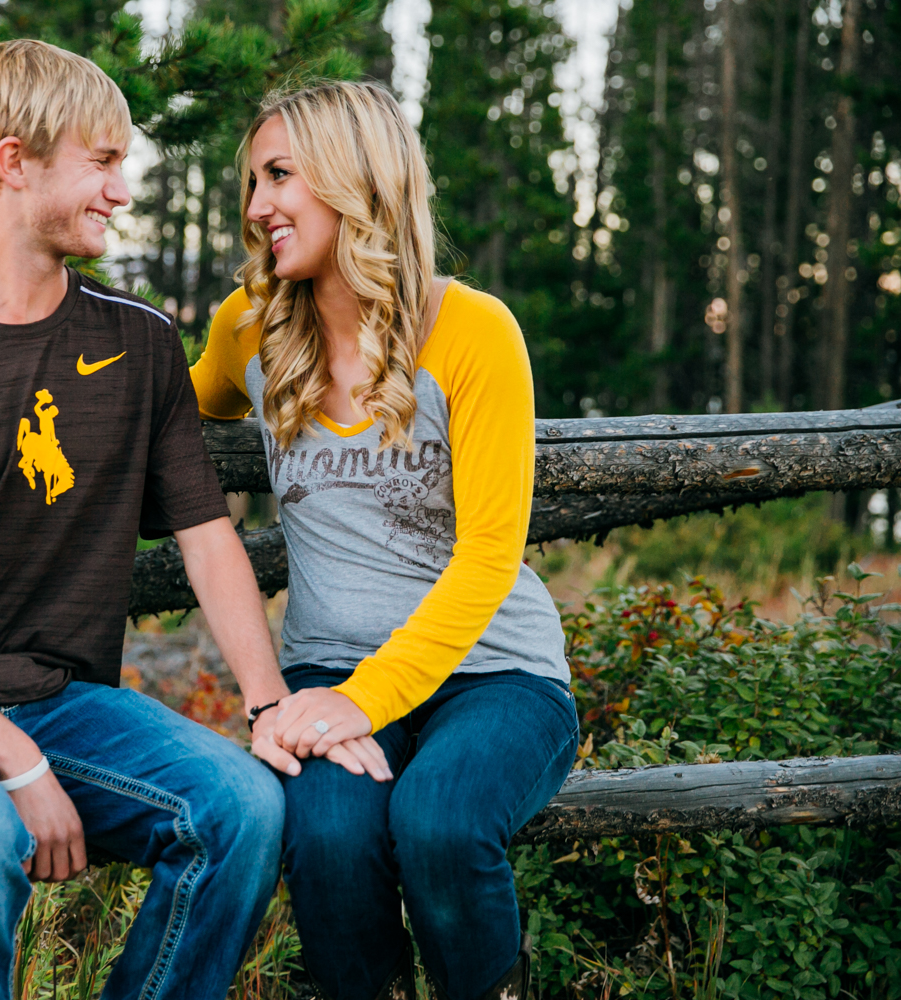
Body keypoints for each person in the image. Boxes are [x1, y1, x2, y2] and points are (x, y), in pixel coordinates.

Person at [0, 40, 298, 1000]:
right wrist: (16, 760)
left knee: (243, 806)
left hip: (61, 701)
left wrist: (267, 702)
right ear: (14, 162)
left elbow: (206, 539)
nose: (122, 188)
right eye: (103, 161)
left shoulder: (141, 339)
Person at [190, 81, 580, 1000]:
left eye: (280, 175)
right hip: (330, 671)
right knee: (325, 840)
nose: (257, 207)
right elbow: (161, 410)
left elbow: (490, 556)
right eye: (252, 182)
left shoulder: (473, 331)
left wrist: (365, 700)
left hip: (498, 676)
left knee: (440, 824)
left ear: (353, 177)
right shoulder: (247, 328)